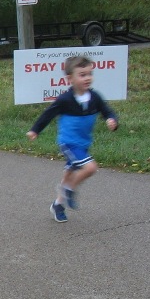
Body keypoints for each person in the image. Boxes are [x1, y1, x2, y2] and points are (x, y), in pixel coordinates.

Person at [27, 54, 119, 223]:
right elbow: (48, 114)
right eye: (82, 75)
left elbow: (107, 111)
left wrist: (112, 120)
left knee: (69, 174)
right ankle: (69, 190)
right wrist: (35, 130)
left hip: (83, 143)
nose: (87, 78)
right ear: (70, 78)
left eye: (89, 74)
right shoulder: (65, 99)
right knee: (90, 168)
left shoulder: (95, 97)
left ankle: (58, 205)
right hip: (68, 143)